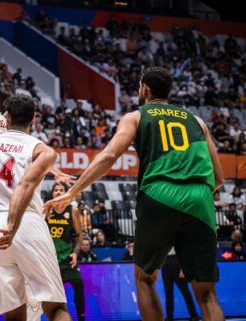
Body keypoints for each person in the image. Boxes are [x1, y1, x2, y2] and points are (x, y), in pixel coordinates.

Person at [45, 67, 225, 321]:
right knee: (206, 293)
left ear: (144, 89)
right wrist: (192, 196)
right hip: (201, 199)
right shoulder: (198, 122)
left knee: (145, 278)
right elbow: (219, 178)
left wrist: (72, 192)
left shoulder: (136, 116)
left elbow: (108, 156)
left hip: (160, 193)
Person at [0, 95, 71, 321]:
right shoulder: (42, 150)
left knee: (14, 315)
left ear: (6, 117)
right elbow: (25, 185)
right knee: (56, 308)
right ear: (34, 118)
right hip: (25, 221)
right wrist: (12, 223)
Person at [46, 182, 86, 321]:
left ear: (65, 193)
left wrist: (75, 253)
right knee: (54, 295)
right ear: (52, 194)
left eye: (61, 190)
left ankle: (81, 317)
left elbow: (80, 235)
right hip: (51, 260)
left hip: (67, 258)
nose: (58, 192)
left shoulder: (72, 210)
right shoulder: (47, 209)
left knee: (79, 285)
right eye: (55, 190)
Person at [161, 248, 199, 321]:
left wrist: (183, 268)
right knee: (168, 293)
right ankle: (169, 317)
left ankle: (194, 315)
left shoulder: (178, 236)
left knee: (185, 291)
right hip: (164, 262)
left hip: (177, 260)